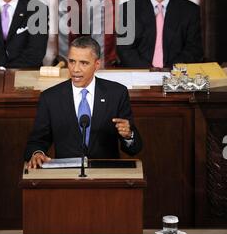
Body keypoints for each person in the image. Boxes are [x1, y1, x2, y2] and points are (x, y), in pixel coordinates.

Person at [25, 36, 142, 169]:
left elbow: (134, 148)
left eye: (84, 63)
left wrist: (129, 135)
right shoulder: (51, 97)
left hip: (105, 175)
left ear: (97, 65)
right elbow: (36, 142)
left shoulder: (116, 93)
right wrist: (37, 153)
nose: (75, 69)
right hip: (65, 177)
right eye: (72, 61)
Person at [116, 0, 204, 68]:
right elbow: (124, 49)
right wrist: (148, 72)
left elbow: (194, 49)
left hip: (176, 76)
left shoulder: (190, 10)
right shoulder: (129, 9)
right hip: (140, 74)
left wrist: (171, 70)